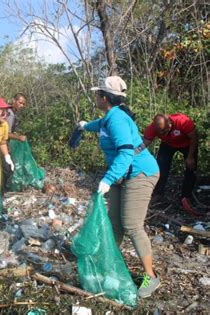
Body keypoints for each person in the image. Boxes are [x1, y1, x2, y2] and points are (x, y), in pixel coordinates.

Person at [78, 76, 161, 298]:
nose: (95, 96)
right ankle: (109, 263)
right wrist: (83, 126)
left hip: (140, 172)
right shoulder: (108, 118)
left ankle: (151, 277)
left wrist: (107, 179)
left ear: (104, 98)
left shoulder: (117, 120)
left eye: (97, 94)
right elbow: (98, 125)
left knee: (132, 224)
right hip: (121, 174)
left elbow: (126, 152)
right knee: (114, 224)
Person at [143, 114, 201, 216]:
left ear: (170, 124)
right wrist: (132, 154)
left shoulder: (182, 122)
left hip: (187, 144)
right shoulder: (153, 128)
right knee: (161, 166)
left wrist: (190, 156)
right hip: (168, 144)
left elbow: (194, 137)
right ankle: (158, 193)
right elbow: (144, 143)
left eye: (164, 131)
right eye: (159, 132)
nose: (162, 134)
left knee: (190, 168)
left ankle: (186, 196)